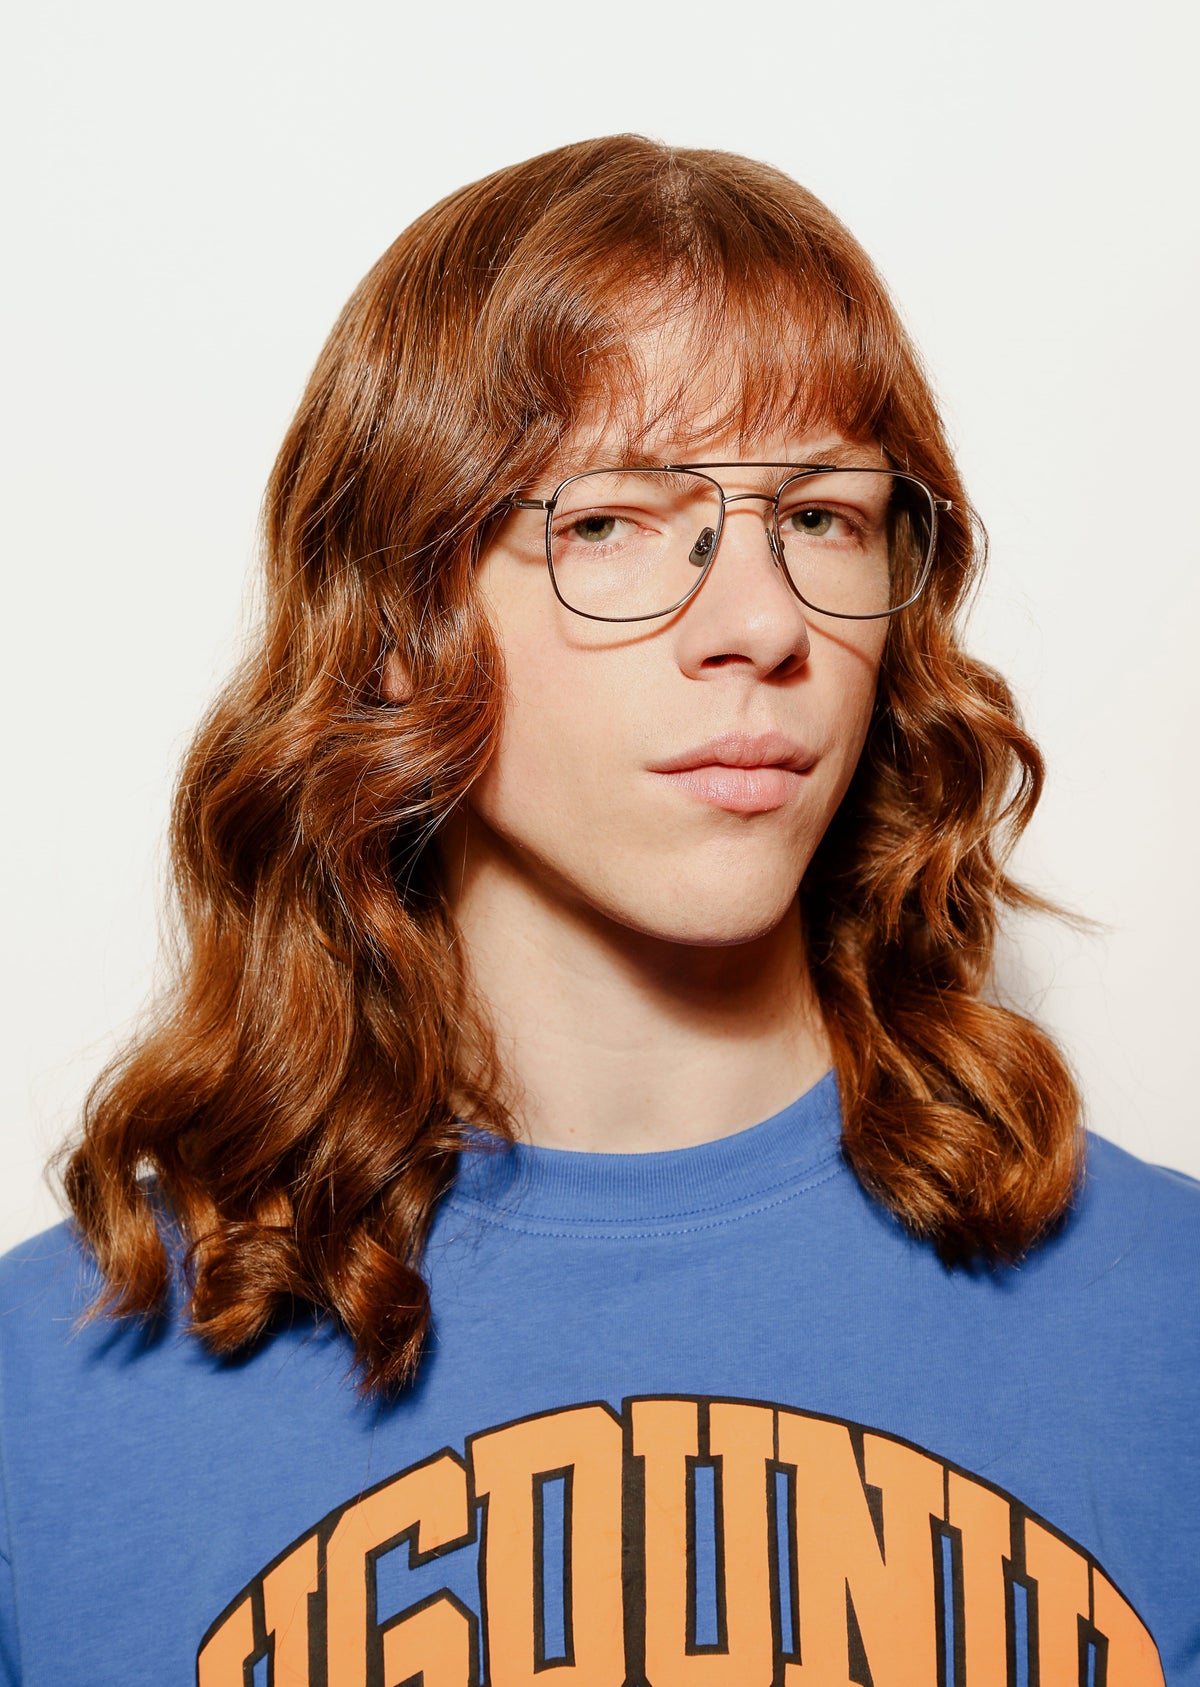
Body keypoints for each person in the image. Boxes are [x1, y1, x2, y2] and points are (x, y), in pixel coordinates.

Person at [0, 134, 1196, 1686]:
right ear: (397, 624)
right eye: (613, 522)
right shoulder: (47, 1408)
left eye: (821, 517)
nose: (761, 624)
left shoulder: (1168, 1328)